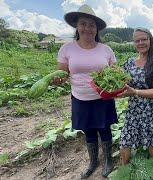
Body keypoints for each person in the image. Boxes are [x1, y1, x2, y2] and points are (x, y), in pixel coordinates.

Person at [53, 4, 117, 178]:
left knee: (105, 129)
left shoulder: (106, 50)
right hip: (80, 97)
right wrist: (58, 80)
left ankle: (108, 160)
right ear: (77, 26)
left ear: (96, 28)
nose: (87, 28)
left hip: (103, 97)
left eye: (91, 25)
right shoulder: (67, 48)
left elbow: (116, 73)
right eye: (83, 23)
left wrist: (118, 81)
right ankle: (93, 161)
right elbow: (63, 74)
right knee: (88, 131)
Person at [117, 27, 153, 164]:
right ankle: (124, 169)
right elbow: (123, 84)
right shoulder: (129, 63)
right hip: (134, 108)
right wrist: (114, 92)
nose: (140, 43)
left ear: (150, 40)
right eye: (137, 40)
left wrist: (136, 92)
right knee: (125, 139)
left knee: (152, 139)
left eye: (144, 39)